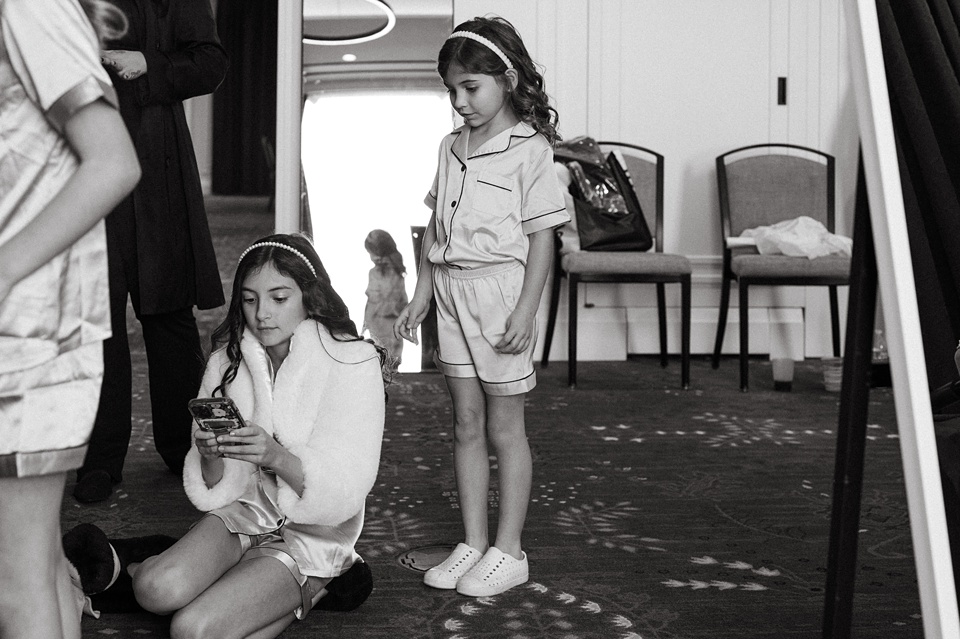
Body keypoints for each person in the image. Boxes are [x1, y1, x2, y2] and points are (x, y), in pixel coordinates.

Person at [126, 234, 386, 637]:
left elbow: (348, 487)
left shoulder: (353, 360)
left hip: (315, 531)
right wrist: (210, 453)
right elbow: (216, 487)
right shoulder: (228, 360)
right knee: (153, 589)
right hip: (247, 509)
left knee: (191, 629)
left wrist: (276, 457)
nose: (262, 314)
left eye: (279, 298)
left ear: (309, 296)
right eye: (249, 300)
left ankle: (320, 582)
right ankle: (252, 585)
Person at [394, 16, 569, 597]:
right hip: (449, 292)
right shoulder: (450, 147)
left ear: (508, 79)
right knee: (464, 422)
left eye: (471, 88)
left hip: (499, 297)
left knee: (503, 427)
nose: (460, 102)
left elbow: (544, 238)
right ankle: (472, 541)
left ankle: (509, 550)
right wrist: (421, 292)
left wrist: (525, 311)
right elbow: (435, 226)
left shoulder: (532, 151)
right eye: (452, 91)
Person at [0, 1, 141, 637]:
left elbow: (115, 162)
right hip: (24, 328)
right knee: (39, 568)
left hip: (28, 335)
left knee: (15, 583)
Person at [74, 0, 229, 503]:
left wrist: (149, 64)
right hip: (85, 163)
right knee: (98, 322)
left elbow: (211, 63)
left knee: (169, 319)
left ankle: (183, 447)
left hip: (157, 166)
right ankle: (100, 461)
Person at [363, 228, 408, 371]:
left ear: (376, 253)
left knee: (381, 361)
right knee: (392, 363)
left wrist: (365, 322)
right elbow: (403, 301)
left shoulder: (375, 273)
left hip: (379, 323)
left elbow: (372, 302)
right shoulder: (398, 272)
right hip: (395, 324)